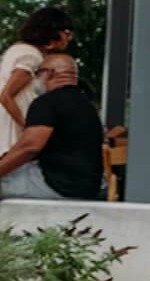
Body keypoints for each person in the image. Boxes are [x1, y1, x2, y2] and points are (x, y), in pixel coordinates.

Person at [0, 53, 104, 200]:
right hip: (87, 186)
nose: (34, 79)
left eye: (37, 73)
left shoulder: (47, 102)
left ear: (49, 73)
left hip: (58, 185)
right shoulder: (86, 104)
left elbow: (29, 148)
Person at [1, 6, 73, 154]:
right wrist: (27, 127)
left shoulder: (20, 49)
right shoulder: (31, 55)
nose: (68, 38)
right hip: (13, 133)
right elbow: (6, 95)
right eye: (67, 33)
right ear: (53, 31)